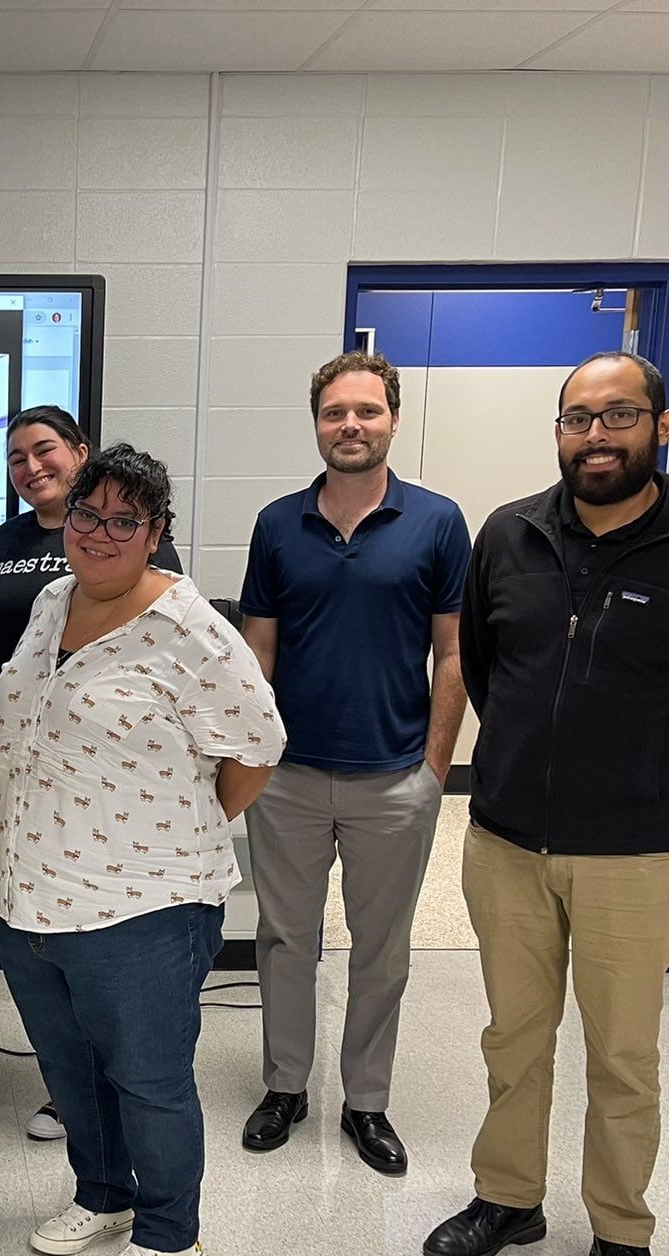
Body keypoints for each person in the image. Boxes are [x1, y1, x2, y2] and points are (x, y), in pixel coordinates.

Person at [422, 353, 669, 1256]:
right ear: (557, 431)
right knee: (511, 1038)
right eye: (577, 419)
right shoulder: (509, 535)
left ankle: (620, 1234)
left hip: (636, 857)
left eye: (618, 416)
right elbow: (489, 674)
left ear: (659, 428)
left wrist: (657, 794)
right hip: (504, 844)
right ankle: (507, 1196)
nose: (595, 436)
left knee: (622, 1056)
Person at [0, 444, 283, 1256]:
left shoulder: (190, 629)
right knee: (70, 1068)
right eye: (89, 514)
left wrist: (173, 831)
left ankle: (169, 1231)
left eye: (127, 520)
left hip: (143, 906)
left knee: (148, 1079)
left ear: (156, 533)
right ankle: (105, 1194)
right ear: (67, 519)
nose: (102, 533)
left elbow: (256, 750)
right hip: (26, 894)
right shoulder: (51, 600)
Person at [238, 353, 471, 1176]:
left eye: (367, 412)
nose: (351, 425)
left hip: (394, 776)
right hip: (290, 776)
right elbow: (256, 654)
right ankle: (286, 1086)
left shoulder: (438, 522)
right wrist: (247, 762)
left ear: (393, 420)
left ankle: (366, 1101)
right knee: (284, 940)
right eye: (336, 412)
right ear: (317, 423)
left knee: (382, 949)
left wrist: (435, 770)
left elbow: (453, 652)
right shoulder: (276, 524)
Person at [0, 405, 183, 1144]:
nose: (32, 467)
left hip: (102, 778)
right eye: (16, 459)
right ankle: (75, 1091)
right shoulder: (6, 540)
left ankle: (99, 1102)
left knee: (94, 934)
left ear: (80, 454)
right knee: (39, 928)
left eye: (45, 451)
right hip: (21, 755)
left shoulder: (128, 544)